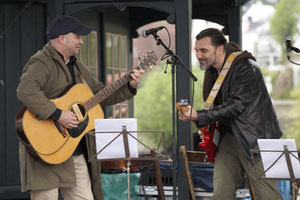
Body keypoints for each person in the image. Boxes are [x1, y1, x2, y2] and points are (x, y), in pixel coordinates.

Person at [16, 15, 144, 200]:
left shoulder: (77, 66)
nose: (81, 42)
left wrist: (130, 85)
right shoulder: (41, 61)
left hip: (74, 151)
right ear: (62, 38)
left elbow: (101, 94)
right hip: (45, 150)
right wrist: (58, 114)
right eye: (77, 36)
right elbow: (25, 90)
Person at [178, 28, 283, 200]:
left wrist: (199, 115)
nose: (198, 55)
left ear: (220, 49)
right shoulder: (213, 70)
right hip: (230, 137)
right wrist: (204, 122)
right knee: (221, 195)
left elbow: (236, 105)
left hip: (256, 140)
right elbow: (219, 107)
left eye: (203, 50)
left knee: (268, 196)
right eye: (196, 50)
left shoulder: (246, 68)